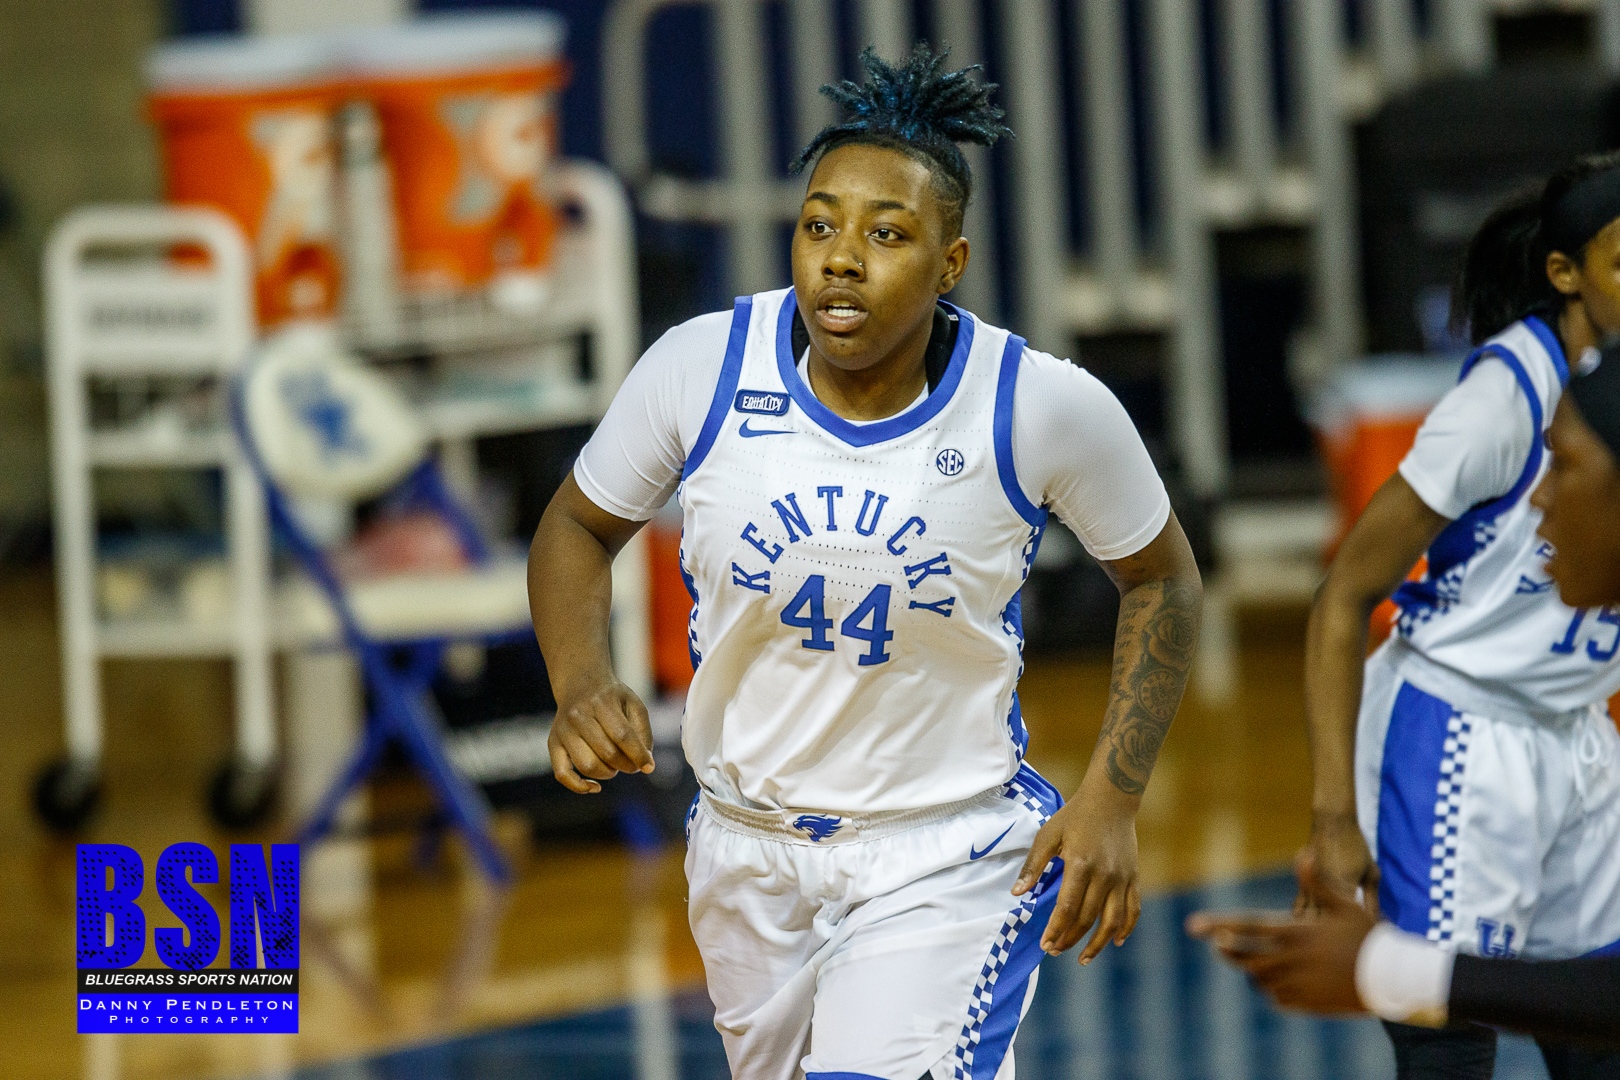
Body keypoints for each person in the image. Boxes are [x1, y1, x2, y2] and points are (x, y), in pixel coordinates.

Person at [528, 44, 1202, 1080]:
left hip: (944, 852)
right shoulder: (702, 366)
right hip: (744, 850)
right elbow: (575, 528)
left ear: (950, 262)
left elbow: (1162, 577)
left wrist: (1112, 796)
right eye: (819, 225)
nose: (841, 258)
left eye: (886, 234)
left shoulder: (1039, 404)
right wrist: (580, 680)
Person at [1297, 154, 1620, 1078]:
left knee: (1597, 1029)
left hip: (1579, 734)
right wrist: (1334, 818)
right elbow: (1345, 592)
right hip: (1462, 735)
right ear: (1565, 273)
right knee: (1445, 1038)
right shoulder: (1500, 403)